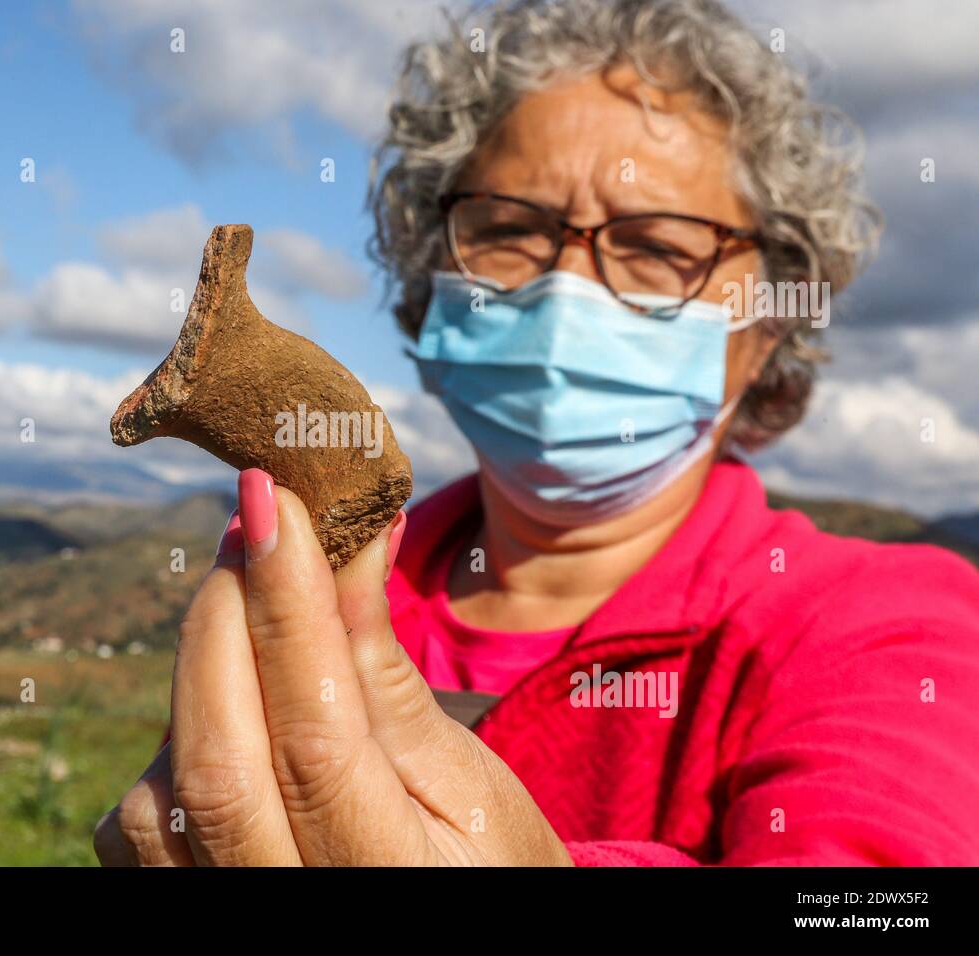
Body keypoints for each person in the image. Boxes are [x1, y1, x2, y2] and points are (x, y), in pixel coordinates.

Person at [94, 0, 979, 866]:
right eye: (508, 229)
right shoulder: (296, 594)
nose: (568, 289)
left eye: (660, 246)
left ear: (768, 328)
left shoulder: (887, 628)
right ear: (430, 274)